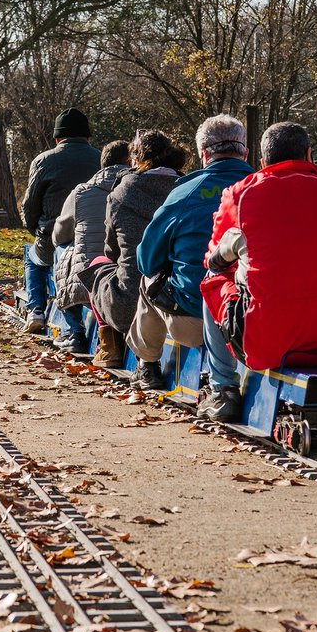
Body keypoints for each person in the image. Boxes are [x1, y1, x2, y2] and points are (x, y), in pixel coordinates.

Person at [201, 120, 317, 373]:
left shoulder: (241, 193)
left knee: (212, 276)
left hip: (263, 342)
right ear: (308, 154)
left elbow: (213, 256)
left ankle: (223, 388)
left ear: (262, 162)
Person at [127, 115, 253, 413]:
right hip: (261, 318)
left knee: (150, 280)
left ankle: (147, 363)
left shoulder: (183, 193)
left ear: (203, 154)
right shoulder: (264, 188)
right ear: (246, 153)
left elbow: (146, 261)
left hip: (195, 320)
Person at [79, 130, 189, 375]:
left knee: (97, 263)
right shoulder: (186, 188)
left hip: (128, 303)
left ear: (135, 159)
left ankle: (109, 345)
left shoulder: (121, 193)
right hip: (179, 296)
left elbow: (111, 251)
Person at [21, 108, 100, 333]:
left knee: (31, 255)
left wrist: (35, 229)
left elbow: (30, 206)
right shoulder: (100, 157)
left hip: (52, 238)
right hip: (94, 239)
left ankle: (35, 309)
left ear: (57, 138)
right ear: (87, 137)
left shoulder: (43, 161)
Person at [51, 139, 131, 355]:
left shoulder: (82, 192)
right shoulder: (138, 188)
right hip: (128, 278)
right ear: (129, 161)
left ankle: (72, 330)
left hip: (88, 282)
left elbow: (59, 235)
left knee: (62, 251)